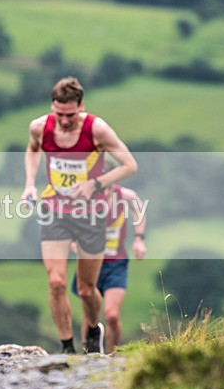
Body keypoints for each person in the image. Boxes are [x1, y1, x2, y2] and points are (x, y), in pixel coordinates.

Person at [20, 77, 137, 355]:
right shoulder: (40, 127)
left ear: (81, 107)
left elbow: (129, 165)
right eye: (59, 114)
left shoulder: (97, 130)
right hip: (55, 210)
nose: (64, 121)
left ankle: (93, 329)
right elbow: (33, 149)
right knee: (56, 281)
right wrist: (29, 184)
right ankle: (67, 348)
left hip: (92, 215)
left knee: (86, 289)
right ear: (53, 106)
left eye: (70, 115)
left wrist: (95, 184)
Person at [71, 161, 147, 354]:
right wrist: (73, 241)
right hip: (89, 261)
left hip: (116, 263)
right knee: (89, 317)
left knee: (112, 315)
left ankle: (113, 357)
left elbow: (139, 211)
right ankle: (89, 356)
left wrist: (139, 239)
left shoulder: (126, 196)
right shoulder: (84, 197)